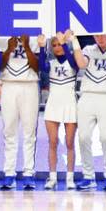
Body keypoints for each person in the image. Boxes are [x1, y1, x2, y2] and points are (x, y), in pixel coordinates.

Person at [73, 32, 106, 190]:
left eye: (102, 36)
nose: (99, 39)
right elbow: (81, 64)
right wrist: (74, 40)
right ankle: (88, 175)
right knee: (83, 137)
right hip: (87, 95)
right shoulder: (88, 49)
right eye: (96, 36)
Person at [0, 34, 42, 189]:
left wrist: (27, 46)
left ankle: (28, 173)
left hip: (29, 84)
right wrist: (9, 49)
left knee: (29, 132)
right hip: (8, 84)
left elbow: (37, 67)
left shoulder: (37, 37)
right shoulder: (2, 36)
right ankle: (9, 173)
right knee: (9, 131)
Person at [41, 32, 80, 189]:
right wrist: (42, 47)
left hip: (70, 103)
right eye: (55, 45)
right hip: (53, 103)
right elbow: (41, 66)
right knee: (53, 142)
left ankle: (70, 178)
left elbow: (73, 64)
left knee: (70, 142)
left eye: (60, 45)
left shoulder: (73, 61)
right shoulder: (50, 63)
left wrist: (65, 43)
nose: (58, 48)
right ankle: (52, 177)